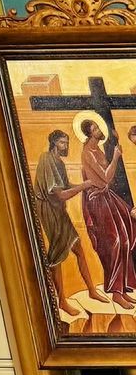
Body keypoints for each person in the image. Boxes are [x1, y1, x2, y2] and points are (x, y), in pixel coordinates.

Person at [30, 130, 98, 323]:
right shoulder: (46, 159)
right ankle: (60, 300)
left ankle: (92, 290)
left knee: (78, 248)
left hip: (59, 210)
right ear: (53, 143)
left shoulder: (58, 162)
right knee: (57, 256)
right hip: (49, 210)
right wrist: (84, 186)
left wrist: (86, 184)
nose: (65, 146)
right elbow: (60, 194)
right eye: (61, 143)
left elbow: (66, 184)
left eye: (66, 142)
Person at [79, 114, 136, 311]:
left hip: (106, 197)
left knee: (126, 237)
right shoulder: (88, 152)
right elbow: (104, 179)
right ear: (90, 133)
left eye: (98, 128)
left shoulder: (97, 149)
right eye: (95, 129)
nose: (99, 131)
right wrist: (115, 157)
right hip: (98, 202)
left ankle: (124, 288)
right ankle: (116, 293)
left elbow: (107, 180)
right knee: (115, 243)